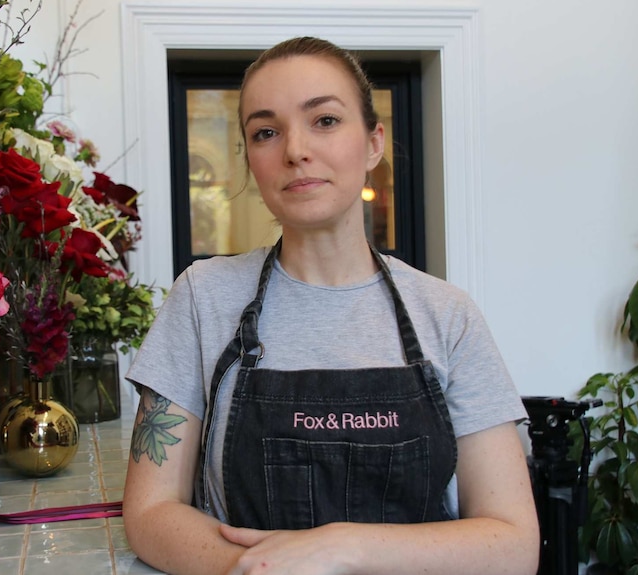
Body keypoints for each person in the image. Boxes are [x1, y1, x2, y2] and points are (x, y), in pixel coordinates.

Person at [123, 36, 539, 575]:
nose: (295, 149)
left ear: (373, 143)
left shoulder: (448, 315)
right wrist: (265, 570)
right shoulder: (204, 298)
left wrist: (345, 549)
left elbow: (512, 543)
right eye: (266, 132)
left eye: (324, 120)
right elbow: (152, 512)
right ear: (251, 157)